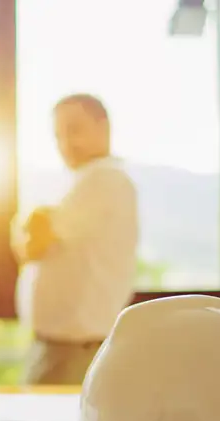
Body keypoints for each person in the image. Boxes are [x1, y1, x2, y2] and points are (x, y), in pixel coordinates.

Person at [13, 93, 139, 386]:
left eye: (74, 130)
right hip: (67, 346)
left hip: (72, 350)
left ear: (103, 126)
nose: (65, 144)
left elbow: (32, 245)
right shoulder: (86, 180)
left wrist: (29, 222)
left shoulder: (103, 179)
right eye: (58, 135)